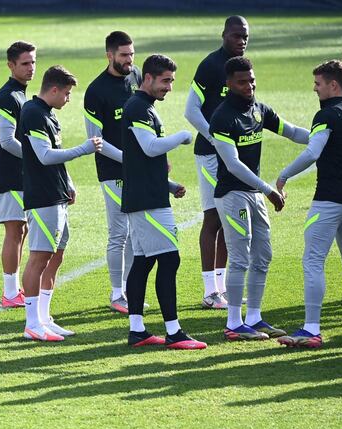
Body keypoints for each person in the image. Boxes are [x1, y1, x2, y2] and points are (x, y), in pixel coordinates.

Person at [277, 60, 342, 347]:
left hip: (328, 200)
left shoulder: (326, 115)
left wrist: (283, 176)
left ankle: (311, 329)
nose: (314, 89)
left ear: (333, 84)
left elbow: (312, 152)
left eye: (318, 84)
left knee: (313, 260)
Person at [209, 57, 309, 341]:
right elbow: (233, 164)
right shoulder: (222, 117)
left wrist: (322, 135)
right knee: (240, 258)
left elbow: (291, 131)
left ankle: (253, 317)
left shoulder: (259, 109)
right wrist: (267, 189)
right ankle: (233, 323)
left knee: (263, 256)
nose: (249, 85)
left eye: (251, 80)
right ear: (228, 84)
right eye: (242, 82)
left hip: (254, 194)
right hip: (232, 195)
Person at [121, 54, 206, 350]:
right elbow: (149, 147)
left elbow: (138, 158)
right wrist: (181, 136)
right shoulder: (138, 108)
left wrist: (167, 185)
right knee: (169, 260)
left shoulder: (142, 107)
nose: (169, 87)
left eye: (171, 81)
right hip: (147, 202)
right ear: (148, 78)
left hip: (146, 196)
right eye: (165, 80)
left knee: (144, 263)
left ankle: (138, 331)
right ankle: (174, 332)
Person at [19, 65, 102, 341]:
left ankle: (44, 317)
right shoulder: (32, 113)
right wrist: (84, 149)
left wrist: (68, 182)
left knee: (56, 255)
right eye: (66, 93)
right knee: (39, 257)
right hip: (42, 197)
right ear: (53, 90)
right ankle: (32, 323)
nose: (68, 98)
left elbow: (54, 155)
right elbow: (44, 156)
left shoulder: (48, 115)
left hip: (57, 195)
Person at [185, 15, 250, 309]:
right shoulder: (211, 65)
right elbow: (191, 110)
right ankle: (209, 291)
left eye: (245, 36)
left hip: (231, 156)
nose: (241, 41)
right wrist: (214, 138)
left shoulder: (242, 68)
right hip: (210, 155)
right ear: (224, 35)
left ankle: (221, 289)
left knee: (228, 220)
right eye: (236, 35)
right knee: (213, 217)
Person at [83, 30, 143, 313]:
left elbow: (148, 117)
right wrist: (130, 160)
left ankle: (130, 291)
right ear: (109, 55)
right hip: (112, 171)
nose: (129, 60)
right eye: (124, 55)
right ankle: (117, 294)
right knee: (119, 233)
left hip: (138, 168)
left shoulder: (137, 77)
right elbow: (96, 141)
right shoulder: (95, 91)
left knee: (134, 233)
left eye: (132, 54)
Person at [0, 41, 36, 308]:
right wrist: (36, 158)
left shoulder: (21, 94)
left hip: (20, 174)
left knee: (21, 229)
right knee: (14, 230)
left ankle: (14, 288)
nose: (31, 68)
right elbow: (6, 140)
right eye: (25, 63)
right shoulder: (8, 97)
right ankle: (9, 293)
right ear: (11, 65)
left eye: (33, 62)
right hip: (9, 175)